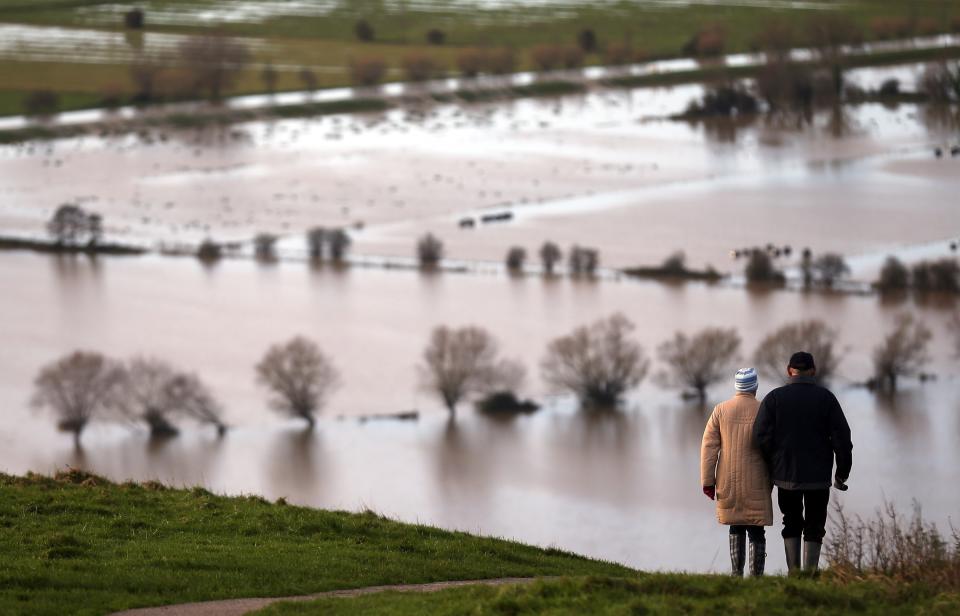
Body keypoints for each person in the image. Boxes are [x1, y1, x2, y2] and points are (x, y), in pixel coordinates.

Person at [752, 351, 853, 572]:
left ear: (790, 371)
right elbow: (842, 439)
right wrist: (842, 472)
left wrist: (775, 462)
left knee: (791, 522)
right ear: (813, 371)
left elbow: (759, 436)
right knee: (815, 525)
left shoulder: (775, 398)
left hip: (786, 475)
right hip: (818, 477)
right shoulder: (826, 398)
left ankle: (794, 573)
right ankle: (810, 573)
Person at [700, 367, 772, 577]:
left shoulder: (721, 410)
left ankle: (735, 573)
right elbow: (773, 447)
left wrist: (708, 481)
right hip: (758, 479)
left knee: (736, 525)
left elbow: (709, 446)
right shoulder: (764, 410)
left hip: (727, 480)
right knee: (756, 529)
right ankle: (757, 577)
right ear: (755, 386)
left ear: (736, 387)